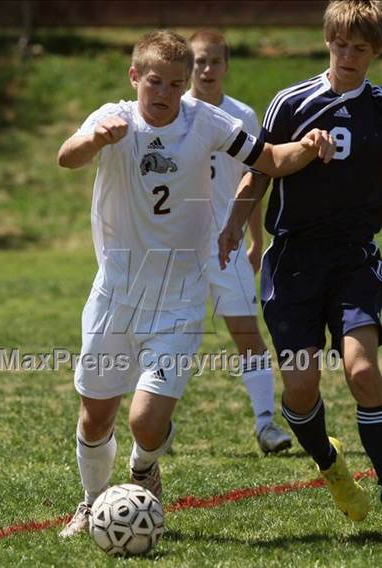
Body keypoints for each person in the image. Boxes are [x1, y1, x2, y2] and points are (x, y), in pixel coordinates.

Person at [57, 29, 335, 537]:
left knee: (145, 420)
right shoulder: (112, 117)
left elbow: (269, 160)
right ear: (135, 77)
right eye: (155, 82)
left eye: (175, 84)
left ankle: (144, 469)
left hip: (181, 293)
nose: (163, 93)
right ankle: (91, 504)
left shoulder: (205, 122)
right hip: (116, 292)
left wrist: (309, 145)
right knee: (96, 417)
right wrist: (94, 140)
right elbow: (67, 155)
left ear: (186, 85)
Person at [219, 0, 382, 522]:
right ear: (327, 42)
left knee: (362, 372)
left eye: (360, 48)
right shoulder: (292, 102)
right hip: (292, 263)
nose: (348, 55)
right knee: (302, 385)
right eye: (340, 45)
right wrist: (231, 227)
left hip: (355, 259)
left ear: (375, 52)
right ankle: (331, 464)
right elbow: (259, 171)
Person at [184, 30, 292, 454]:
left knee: (246, 332)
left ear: (227, 66)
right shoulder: (173, 113)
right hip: (178, 248)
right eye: (198, 62)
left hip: (225, 245)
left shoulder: (242, 116)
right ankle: (161, 424)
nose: (207, 69)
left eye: (215, 61)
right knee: (170, 335)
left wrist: (254, 238)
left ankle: (266, 424)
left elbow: (255, 179)